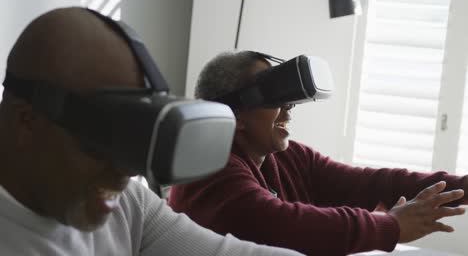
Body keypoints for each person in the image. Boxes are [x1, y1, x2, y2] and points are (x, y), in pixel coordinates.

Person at [0, 8, 305, 256]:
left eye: (133, 131)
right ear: (28, 120)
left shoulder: (126, 202)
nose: (125, 169)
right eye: (105, 136)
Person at [168, 51, 468, 255]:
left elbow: (372, 182)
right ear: (235, 112)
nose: (290, 107)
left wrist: (464, 187)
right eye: (276, 98)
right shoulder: (207, 168)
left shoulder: (288, 158)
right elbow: (282, 225)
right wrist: (391, 226)